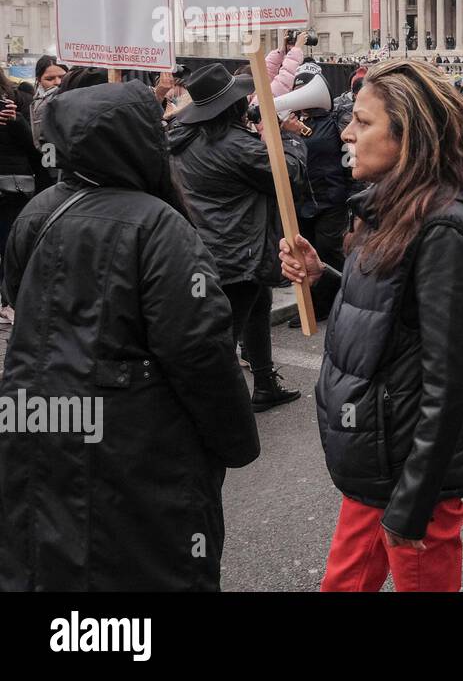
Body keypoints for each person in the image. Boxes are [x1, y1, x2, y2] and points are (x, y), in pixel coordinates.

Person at [0, 81, 260, 590]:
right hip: (136, 441)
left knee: (51, 560)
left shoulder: (40, 211)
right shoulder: (160, 226)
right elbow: (200, 351)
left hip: (38, 422)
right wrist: (235, 441)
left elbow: (19, 295)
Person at [281, 61, 463, 592]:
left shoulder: (445, 224)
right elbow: (388, 311)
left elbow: (451, 382)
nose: (346, 132)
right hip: (376, 457)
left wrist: (413, 502)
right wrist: (325, 278)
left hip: (409, 471)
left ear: (410, 136)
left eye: (362, 121)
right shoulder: (390, 205)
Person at [169, 63, 308, 410]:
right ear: (231, 106)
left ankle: (264, 382)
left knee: (257, 306)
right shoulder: (233, 145)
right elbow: (288, 176)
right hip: (237, 248)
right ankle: (212, 406)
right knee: (225, 332)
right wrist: (287, 137)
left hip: (211, 245)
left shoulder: (185, 139)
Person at [290, 65, 351, 325]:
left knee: (328, 252)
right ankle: (313, 304)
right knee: (305, 254)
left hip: (332, 199)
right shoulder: (295, 120)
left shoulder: (337, 117)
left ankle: (337, 301)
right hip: (304, 199)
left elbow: (344, 151)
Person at [0, 72, 41, 268]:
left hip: (12, 188)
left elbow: (33, 146)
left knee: (10, 245)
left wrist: (16, 121)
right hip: (14, 184)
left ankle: (8, 294)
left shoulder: (18, 100)